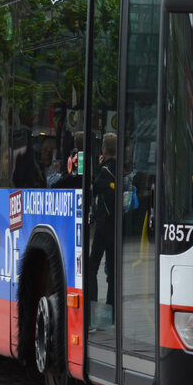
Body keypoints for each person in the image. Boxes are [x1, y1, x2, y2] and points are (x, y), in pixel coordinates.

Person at [87, 132, 119, 325]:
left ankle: (91, 314)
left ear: (104, 150)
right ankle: (110, 314)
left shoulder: (105, 170)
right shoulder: (120, 168)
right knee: (113, 271)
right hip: (116, 225)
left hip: (103, 227)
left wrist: (99, 166)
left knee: (92, 268)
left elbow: (95, 188)